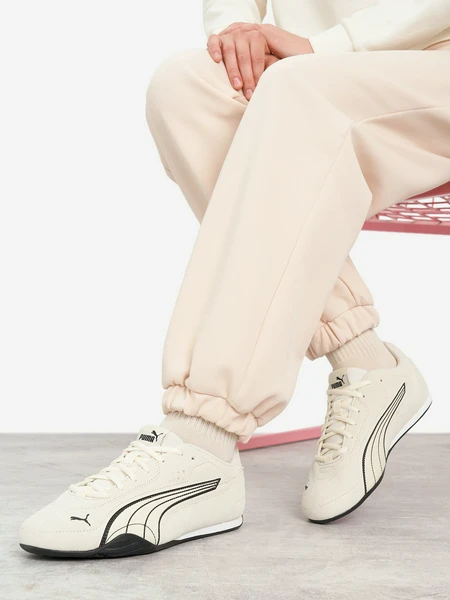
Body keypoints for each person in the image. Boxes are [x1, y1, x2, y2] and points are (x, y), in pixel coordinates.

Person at [20, 0, 450, 558]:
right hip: (317, 74)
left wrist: (327, 47)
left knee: (299, 92)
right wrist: (236, 39)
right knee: (185, 87)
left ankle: (203, 439)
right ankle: (363, 357)